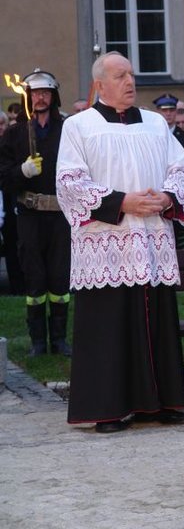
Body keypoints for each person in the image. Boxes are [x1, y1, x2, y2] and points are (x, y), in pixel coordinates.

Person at [56, 52, 184, 433]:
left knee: (154, 322)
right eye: (120, 76)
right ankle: (109, 408)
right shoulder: (79, 127)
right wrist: (121, 202)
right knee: (109, 327)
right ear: (100, 84)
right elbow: (69, 183)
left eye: (132, 74)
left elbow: (181, 167)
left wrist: (167, 196)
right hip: (107, 243)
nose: (130, 82)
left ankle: (158, 403)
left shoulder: (155, 124)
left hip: (151, 239)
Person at [0, 69, 72, 356]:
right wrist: (22, 171)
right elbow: (3, 176)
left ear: (53, 96)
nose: (40, 98)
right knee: (35, 277)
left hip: (60, 216)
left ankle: (59, 340)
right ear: (27, 97)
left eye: (45, 93)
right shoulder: (15, 134)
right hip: (29, 216)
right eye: (35, 93)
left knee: (59, 277)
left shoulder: (67, 130)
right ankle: (38, 342)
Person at [155, 93, 184, 248]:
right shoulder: (152, 136)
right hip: (158, 194)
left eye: (171, 110)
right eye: (164, 110)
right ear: (158, 112)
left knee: (183, 243)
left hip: (180, 196)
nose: (168, 113)